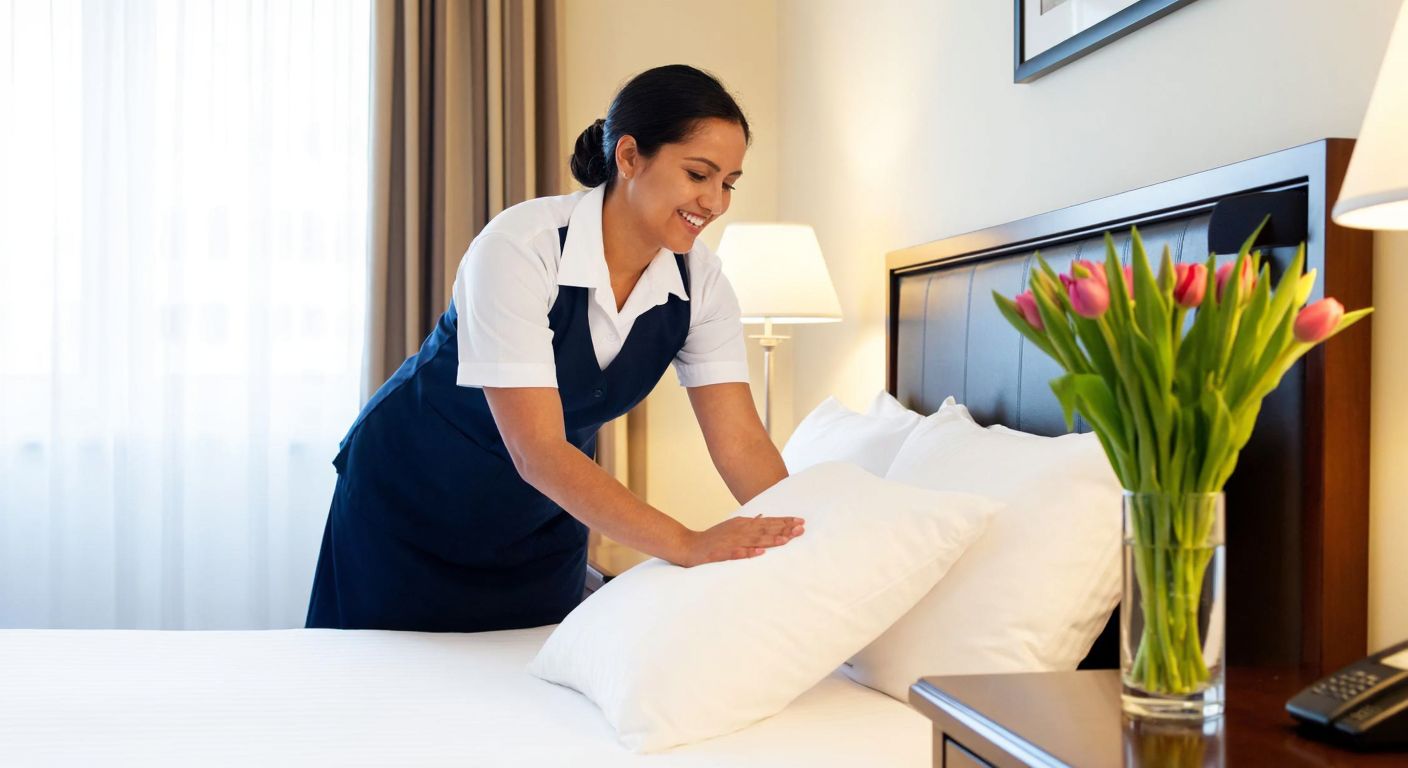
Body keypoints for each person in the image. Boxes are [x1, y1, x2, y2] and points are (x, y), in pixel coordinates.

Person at [305, 65, 804, 633]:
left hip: (539, 520)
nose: (715, 202)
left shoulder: (703, 283)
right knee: (375, 692)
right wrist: (687, 543)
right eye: (699, 174)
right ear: (629, 156)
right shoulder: (520, 248)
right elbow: (538, 448)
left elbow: (740, 443)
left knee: (535, 696)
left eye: (730, 183)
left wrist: (810, 538)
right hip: (412, 500)